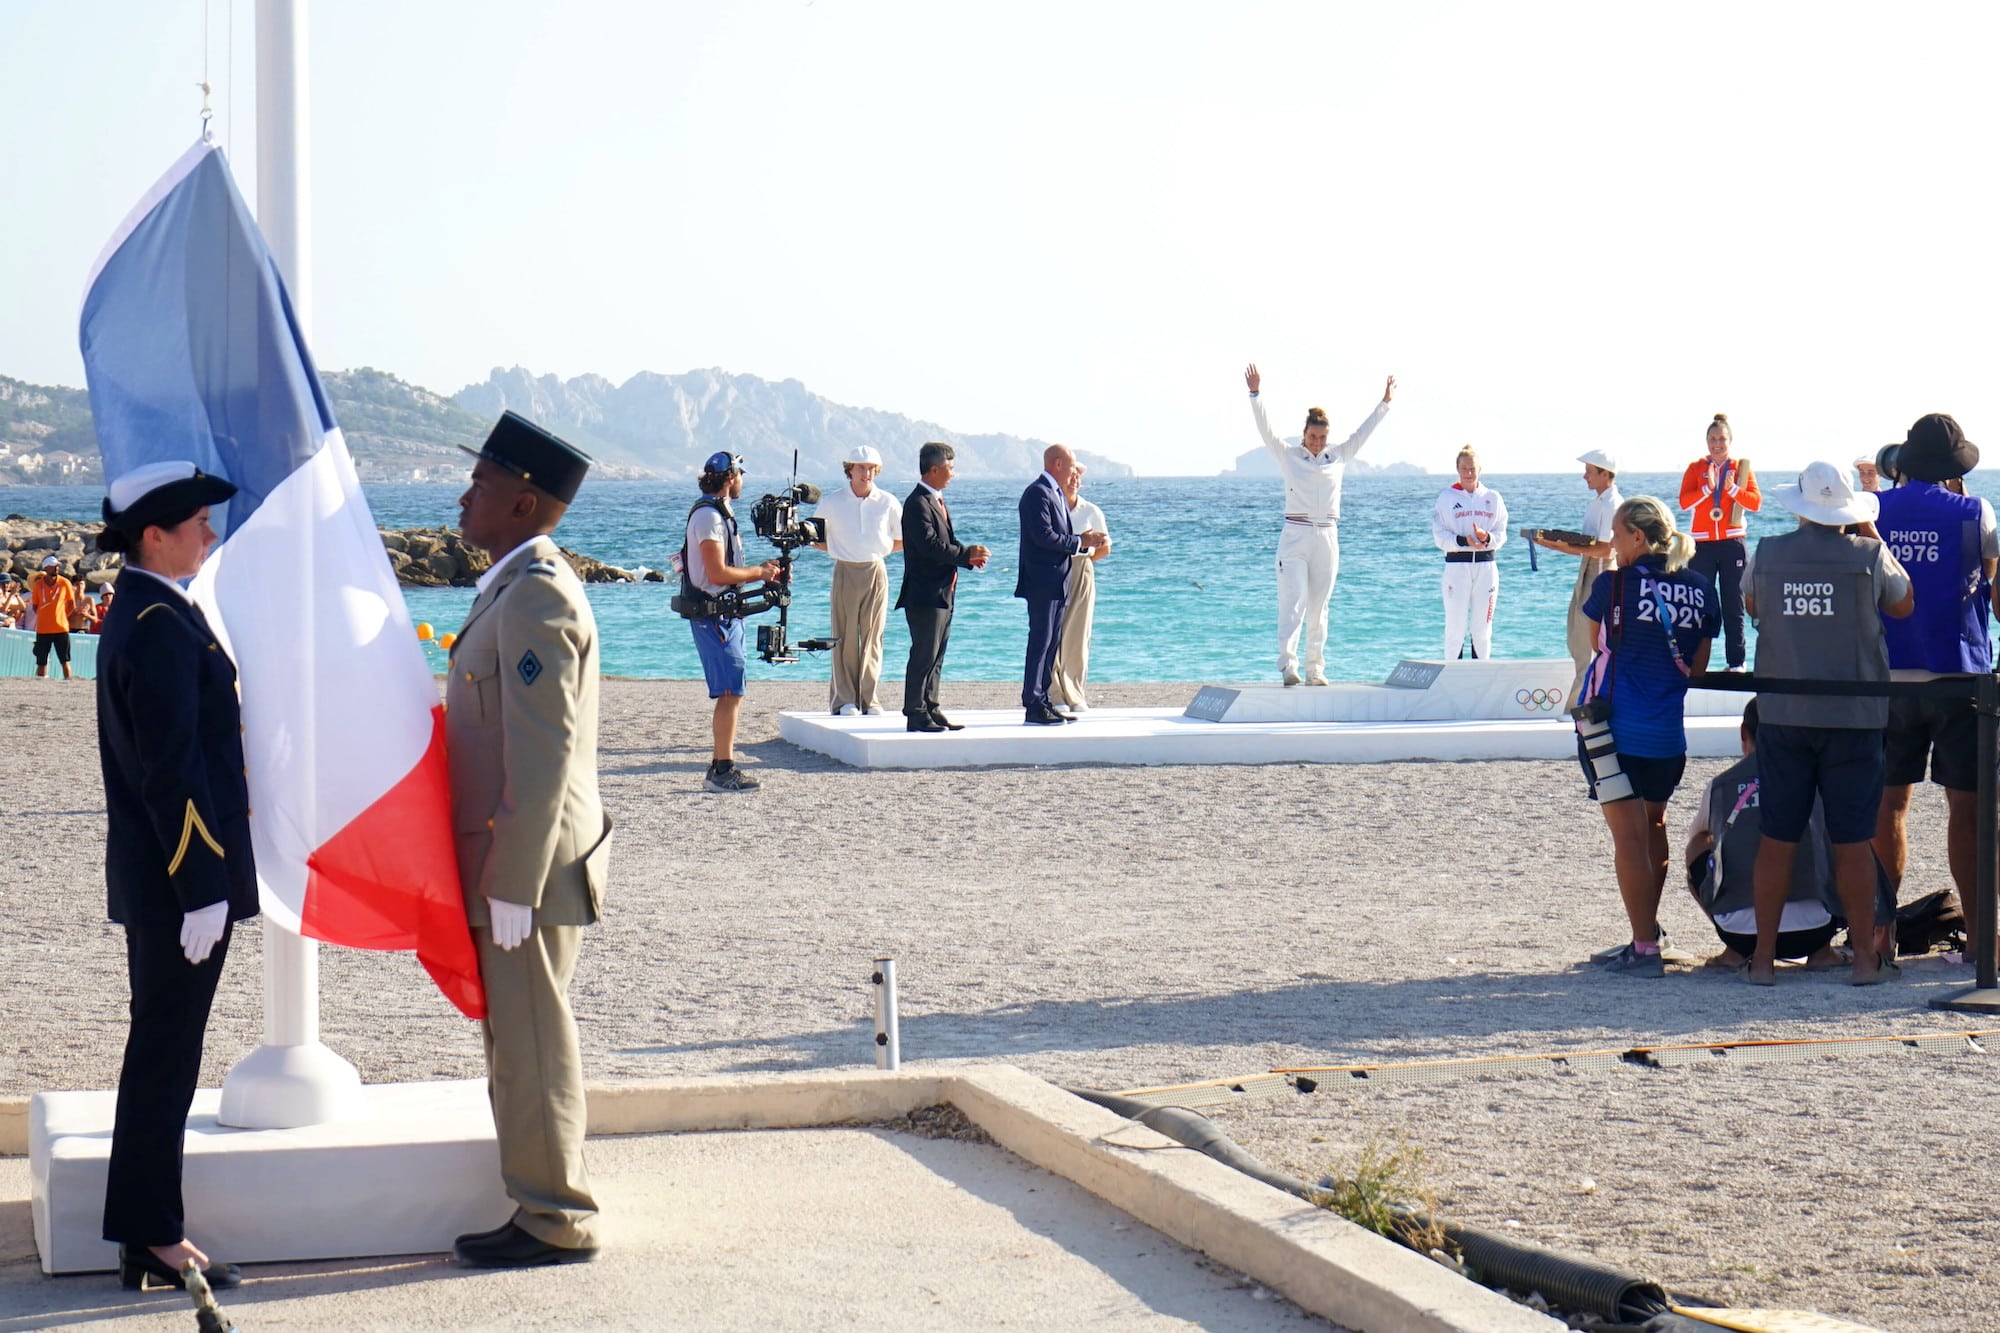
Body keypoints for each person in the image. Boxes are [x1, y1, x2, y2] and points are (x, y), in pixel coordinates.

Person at [447, 412, 612, 1268]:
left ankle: (558, 1218)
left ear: (524, 502)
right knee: (518, 1044)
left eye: (481, 483)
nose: (465, 495)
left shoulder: (540, 590)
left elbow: (542, 750)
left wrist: (511, 878)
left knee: (534, 1043)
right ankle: (539, 1201)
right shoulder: (511, 585)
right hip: (518, 863)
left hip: (532, 868)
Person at [91, 460, 257, 1292]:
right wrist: (201, 884)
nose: (210, 533)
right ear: (152, 533)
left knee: (163, 1049)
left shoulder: (152, 607)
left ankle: (145, 1228)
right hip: (178, 883)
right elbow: (170, 768)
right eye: (197, 521)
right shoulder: (157, 620)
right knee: (164, 1053)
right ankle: (154, 1234)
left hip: (169, 879)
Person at [1743, 460, 1913, 986]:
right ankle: (1864, 959)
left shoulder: (1768, 554)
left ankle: (1764, 960)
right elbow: (1904, 603)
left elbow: (1751, 604)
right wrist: (1869, 532)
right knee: (1852, 840)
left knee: (1777, 838)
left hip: (1785, 711)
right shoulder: (1868, 555)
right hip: (1853, 714)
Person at [1869, 414, 1996, 968]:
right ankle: (1979, 937)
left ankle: (1879, 935)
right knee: (1966, 810)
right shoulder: (1975, 512)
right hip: (1957, 674)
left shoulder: (1873, 510)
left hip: (1888, 675)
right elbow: (1987, 584)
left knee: (1887, 806)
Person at [1577, 497, 1720, 976]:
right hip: (1667, 739)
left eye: (1617, 535)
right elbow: (1697, 667)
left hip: (1614, 735)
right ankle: (1648, 931)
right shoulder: (1701, 587)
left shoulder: (1614, 585)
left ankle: (1643, 946)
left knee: (1629, 840)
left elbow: (1595, 644)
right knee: (1653, 828)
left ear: (1638, 537)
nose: (1612, 545)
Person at [1243, 363, 1395, 686]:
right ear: (1304, 434)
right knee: (1293, 599)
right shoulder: (1289, 456)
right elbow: (1266, 429)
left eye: (1322, 437)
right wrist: (1255, 395)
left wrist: (1384, 404)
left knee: (1319, 605)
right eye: (1313, 436)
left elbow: (1363, 434)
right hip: (1295, 534)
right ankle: (1288, 665)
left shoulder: (1337, 457)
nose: (1317, 442)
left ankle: (1315, 668)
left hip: (1327, 534)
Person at [679, 451, 783, 792]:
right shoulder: (709, 517)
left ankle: (721, 766)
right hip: (715, 618)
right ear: (731, 478)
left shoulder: (718, 513)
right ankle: (722, 769)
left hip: (724, 615)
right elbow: (717, 572)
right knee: (729, 691)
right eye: (740, 475)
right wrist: (759, 573)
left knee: (732, 690)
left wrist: (761, 574)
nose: (742, 481)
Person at [895, 442, 990, 732]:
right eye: (950, 468)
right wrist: (965, 553)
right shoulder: (917, 503)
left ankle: (931, 707)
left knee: (936, 655)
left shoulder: (934, 500)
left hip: (942, 591)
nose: (953, 474)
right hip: (925, 593)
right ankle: (915, 711)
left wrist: (967, 560)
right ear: (934, 469)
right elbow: (929, 546)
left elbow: (942, 544)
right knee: (924, 653)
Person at [1016, 445, 1108, 725]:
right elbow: (1045, 537)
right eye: (1070, 467)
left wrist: (1082, 543)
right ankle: (1033, 702)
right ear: (1057, 465)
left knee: (1051, 642)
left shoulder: (1053, 494)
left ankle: (1043, 699)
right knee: (1041, 642)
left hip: (1058, 579)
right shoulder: (1037, 494)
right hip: (1043, 580)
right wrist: (1082, 542)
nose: (1073, 474)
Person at [811, 445, 901, 716]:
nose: (867, 473)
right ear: (849, 470)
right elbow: (815, 538)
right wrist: (841, 550)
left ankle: (869, 699)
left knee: (873, 637)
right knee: (845, 637)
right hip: (845, 571)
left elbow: (902, 538)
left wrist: (877, 551)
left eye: (872, 468)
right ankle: (844, 699)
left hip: (875, 570)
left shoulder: (888, 502)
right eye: (861, 467)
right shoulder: (832, 502)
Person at [1534, 449, 1623, 700]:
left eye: (1589, 471)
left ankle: (1579, 705)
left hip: (1602, 571)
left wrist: (1563, 546)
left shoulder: (1614, 504)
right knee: (1576, 636)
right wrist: (1553, 544)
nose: (1585, 476)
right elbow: (1586, 546)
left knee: (1588, 642)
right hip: (1588, 570)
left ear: (1605, 474)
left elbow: (1606, 549)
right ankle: (1582, 702)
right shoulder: (1597, 503)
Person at [1678, 413, 1761, 670]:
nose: (1717, 444)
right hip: (1701, 545)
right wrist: (1707, 489)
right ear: (1706, 441)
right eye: (1713, 439)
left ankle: (1736, 663)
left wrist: (1733, 489)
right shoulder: (1695, 468)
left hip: (1732, 543)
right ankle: (1693, 662)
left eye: (1722, 439)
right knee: (1698, 603)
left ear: (1730, 441)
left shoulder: (1741, 469)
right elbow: (1684, 502)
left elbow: (1755, 503)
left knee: (1733, 604)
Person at [1432, 447, 1508, 660]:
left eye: (1472, 468)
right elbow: (1439, 536)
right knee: (1455, 629)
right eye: (1464, 468)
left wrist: (1486, 538)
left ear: (1480, 469)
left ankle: (1480, 680)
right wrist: (1463, 541)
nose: (1468, 473)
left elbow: (1501, 533)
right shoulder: (1446, 498)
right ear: (1457, 469)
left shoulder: (1493, 498)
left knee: (1482, 630)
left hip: (1486, 567)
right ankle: (1452, 679)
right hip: (1457, 567)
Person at [1050, 464, 1109, 715]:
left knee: (1078, 633)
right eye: (1071, 475)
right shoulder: (1052, 507)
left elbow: (1105, 547)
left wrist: (1082, 564)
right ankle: (1054, 693)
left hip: (1082, 567)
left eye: (1078, 477)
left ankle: (1075, 692)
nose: (1074, 480)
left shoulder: (1091, 511)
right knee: (1052, 631)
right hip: (1054, 569)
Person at [29, 553, 78, 679]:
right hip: (43, 629)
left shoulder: (65, 583)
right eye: (52, 566)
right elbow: (35, 606)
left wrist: (62, 616)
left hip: (61, 628)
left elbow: (71, 604)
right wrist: (44, 616)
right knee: (41, 661)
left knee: (65, 660)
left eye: (57, 566)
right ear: (46, 568)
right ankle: (41, 685)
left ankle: (68, 683)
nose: (56, 568)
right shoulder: (38, 585)